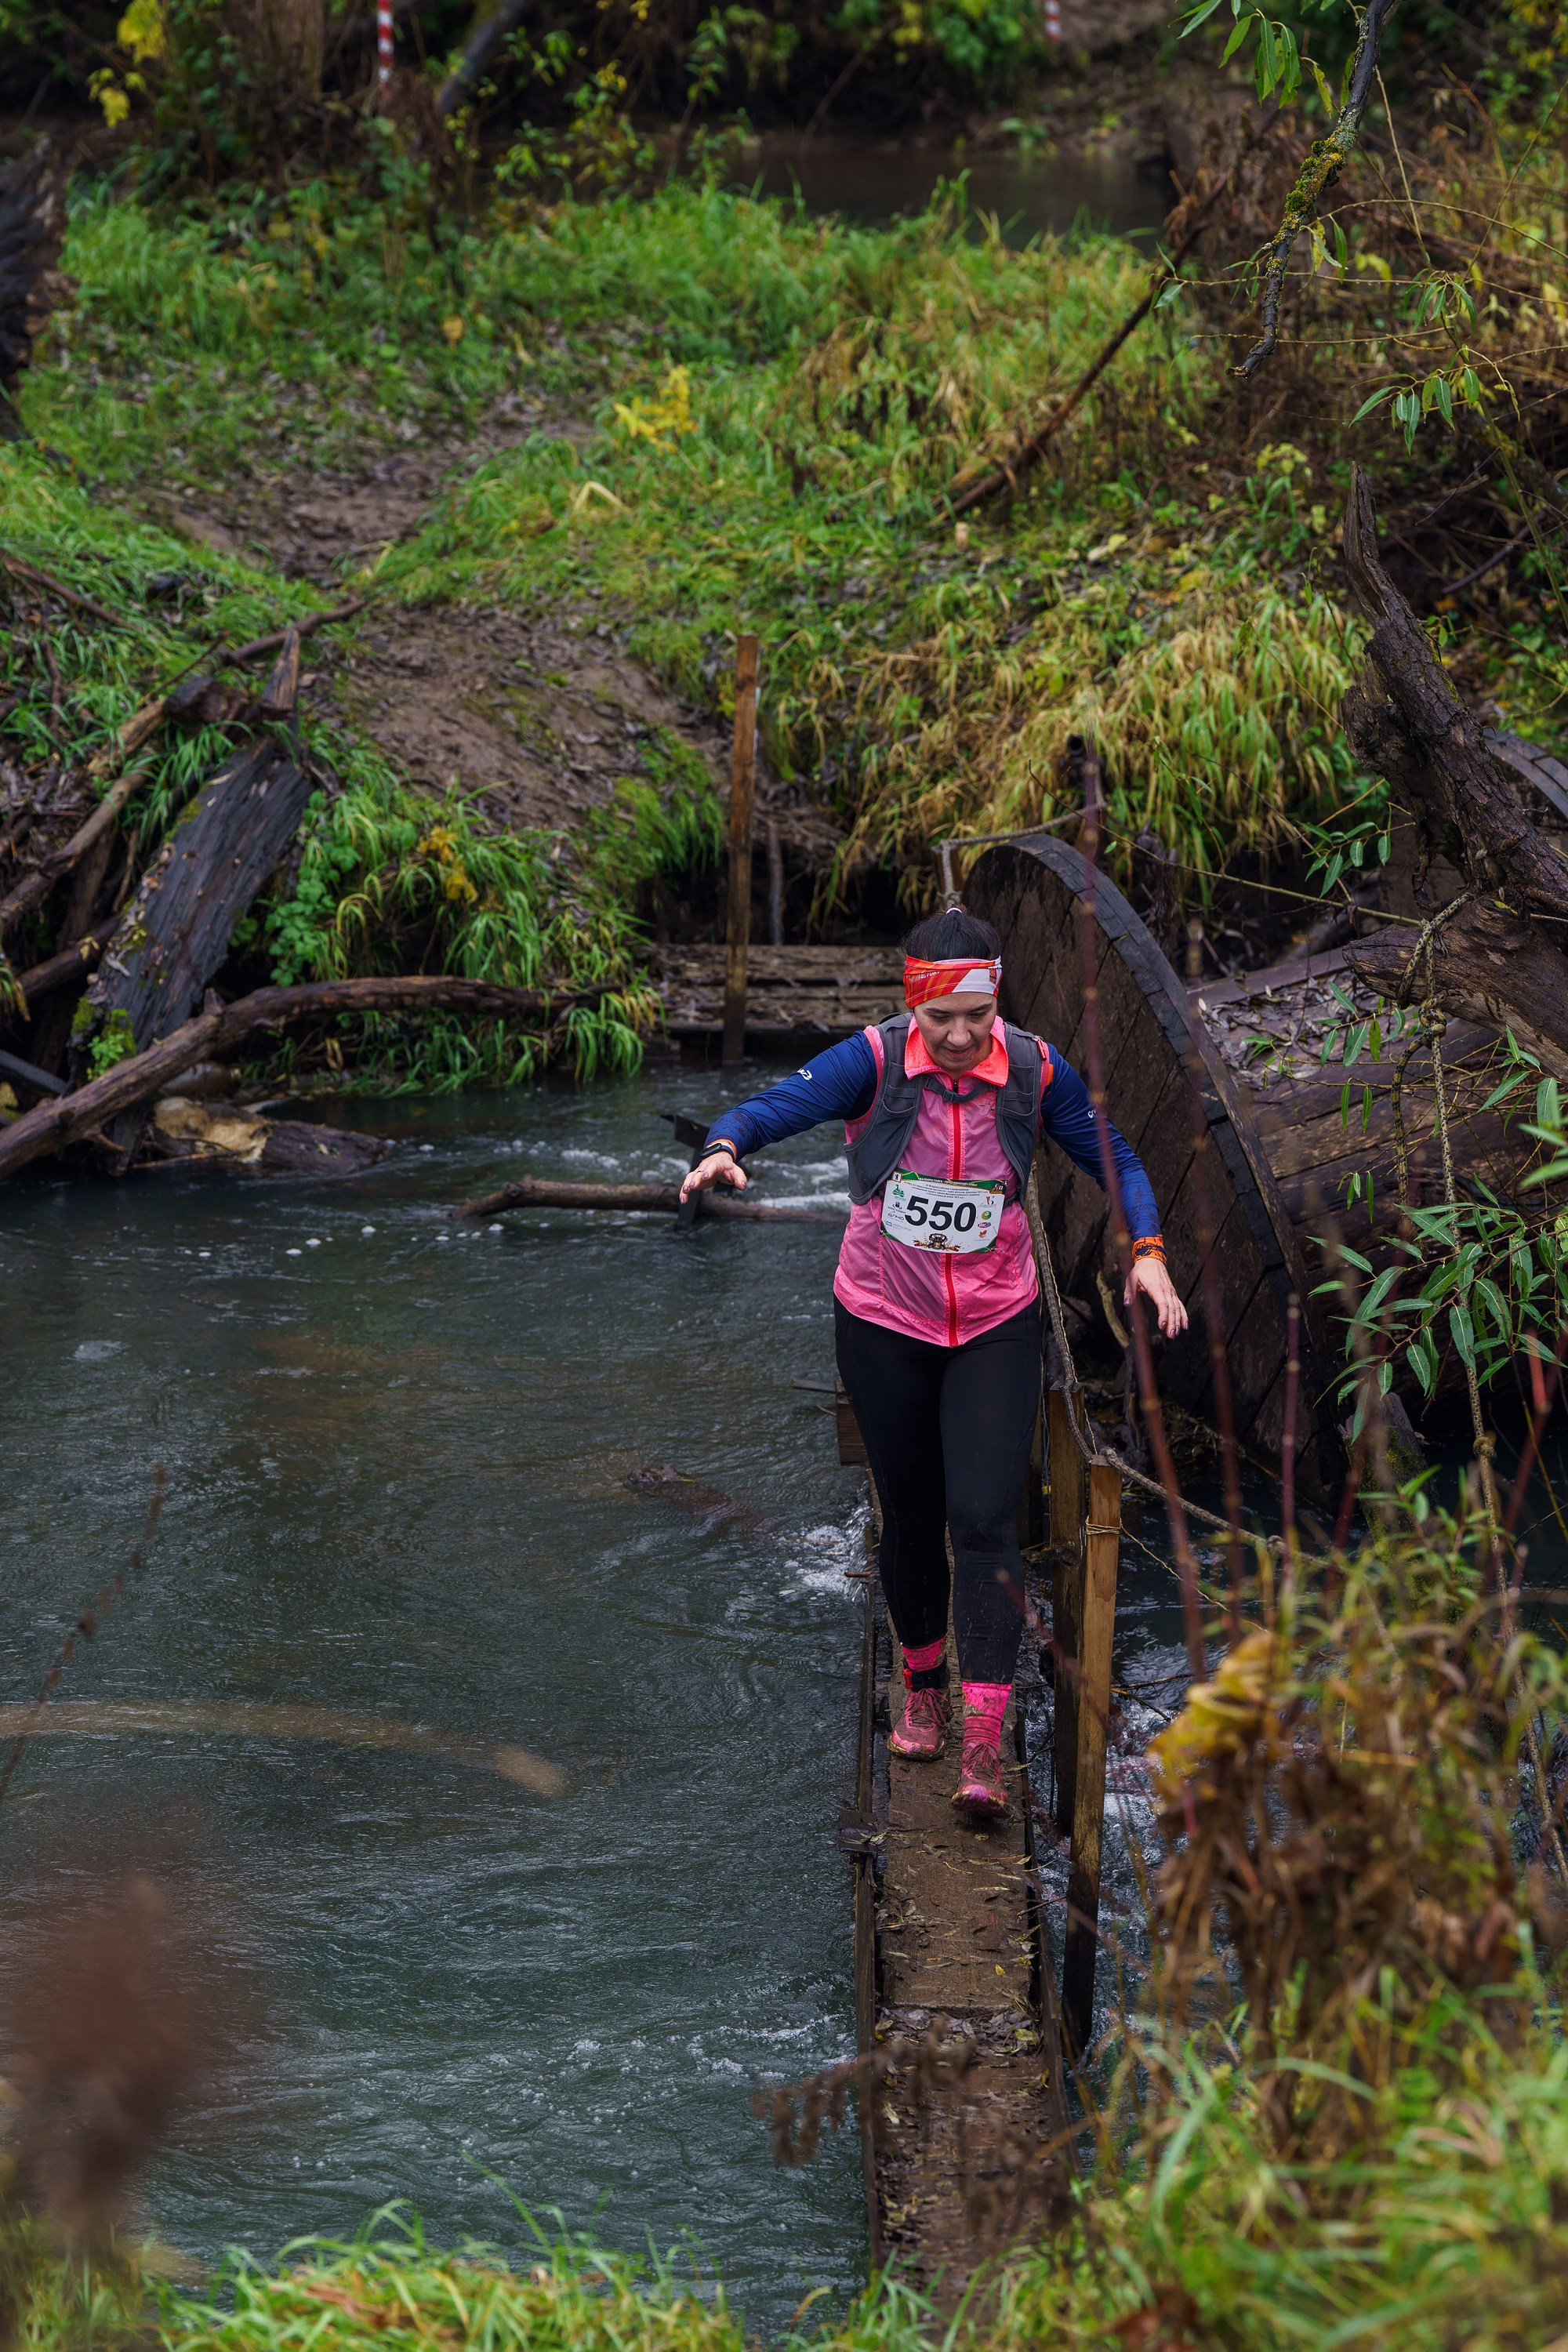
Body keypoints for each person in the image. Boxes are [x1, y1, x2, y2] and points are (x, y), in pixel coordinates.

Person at [680, 907, 1188, 1823]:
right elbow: (769, 1108)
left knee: (985, 1518)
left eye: (974, 1018)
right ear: (912, 1005)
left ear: (995, 1002)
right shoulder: (873, 1062)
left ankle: (983, 1736)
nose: (957, 1037)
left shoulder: (1033, 1070)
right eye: (939, 1019)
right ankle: (920, 1685)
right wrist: (722, 1147)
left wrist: (1144, 1246)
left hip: (996, 1319)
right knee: (912, 1517)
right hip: (881, 1318)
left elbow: (1111, 1152)